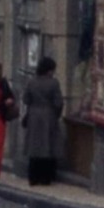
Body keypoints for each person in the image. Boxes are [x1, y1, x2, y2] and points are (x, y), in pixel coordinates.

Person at [21, 55, 64, 186]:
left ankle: (33, 177)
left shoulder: (31, 82)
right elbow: (58, 102)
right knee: (48, 147)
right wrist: (56, 114)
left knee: (34, 147)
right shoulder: (54, 83)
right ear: (49, 70)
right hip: (49, 115)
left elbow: (25, 99)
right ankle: (46, 177)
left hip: (34, 114)